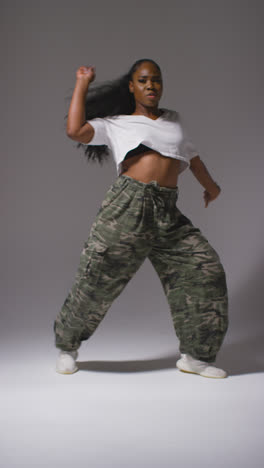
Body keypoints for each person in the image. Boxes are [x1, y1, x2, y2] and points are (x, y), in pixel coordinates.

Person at [53, 58, 229, 378]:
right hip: (127, 208)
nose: (151, 86)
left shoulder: (174, 121)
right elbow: (75, 130)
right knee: (95, 282)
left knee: (205, 271)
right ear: (132, 86)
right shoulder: (117, 123)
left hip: (167, 211)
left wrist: (212, 188)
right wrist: (82, 83)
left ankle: (196, 356)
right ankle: (67, 346)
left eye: (156, 80)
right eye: (144, 80)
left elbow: (193, 158)